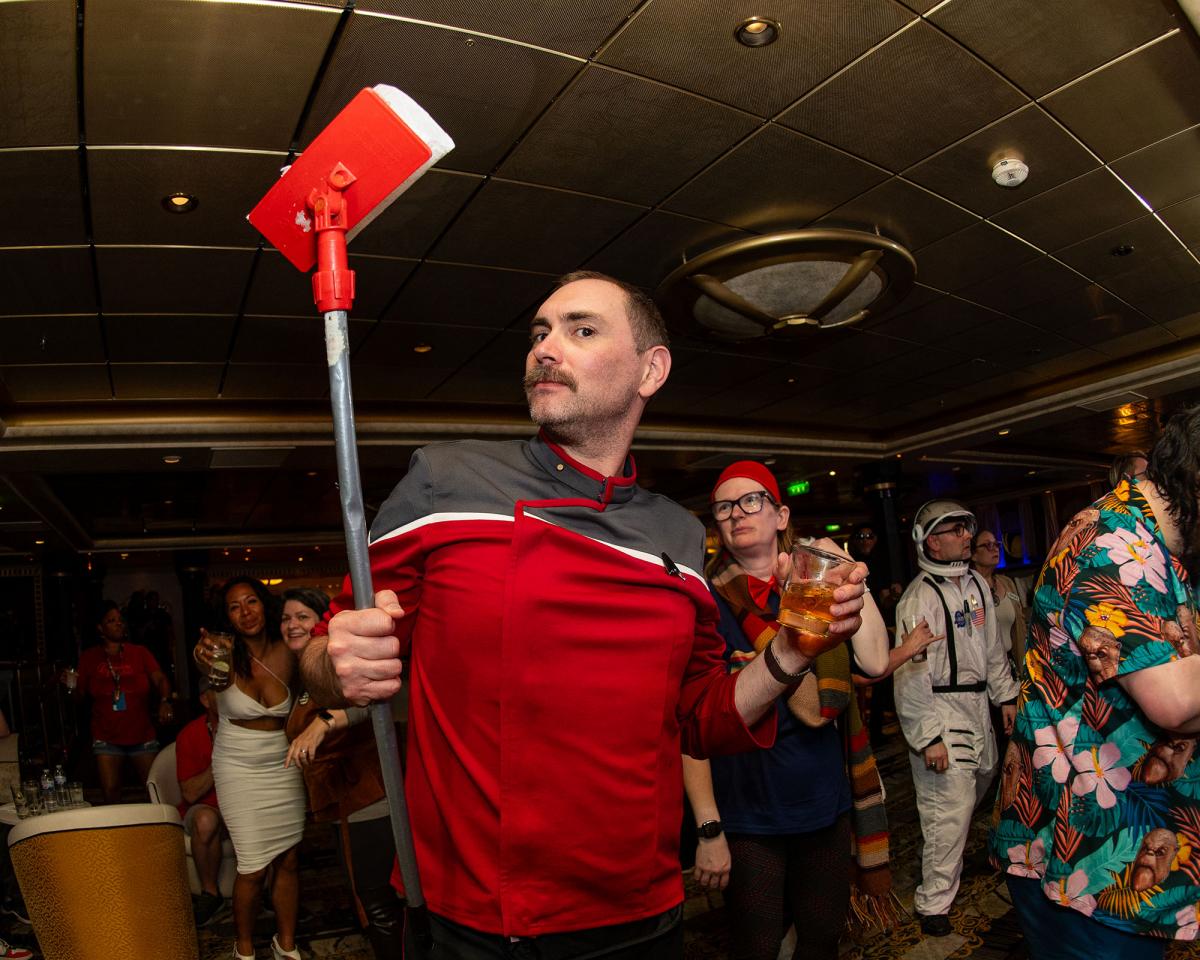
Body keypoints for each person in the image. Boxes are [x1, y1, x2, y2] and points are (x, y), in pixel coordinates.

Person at [293, 271, 868, 959]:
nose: (545, 347)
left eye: (582, 330)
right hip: (479, 918)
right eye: (540, 332)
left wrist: (792, 653)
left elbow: (699, 715)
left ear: (650, 370)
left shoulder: (679, 533)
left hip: (642, 908)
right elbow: (324, 655)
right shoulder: (445, 482)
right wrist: (337, 663)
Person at [990, 404, 1200, 958]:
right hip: (1088, 852)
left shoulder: (1167, 548)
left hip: (1134, 837)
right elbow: (1175, 701)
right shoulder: (1112, 544)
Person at [681, 461, 890, 960]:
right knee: (756, 945)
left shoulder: (813, 587)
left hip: (823, 800)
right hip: (749, 810)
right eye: (724, 507)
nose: (737, 513)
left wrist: (847, 574)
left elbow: (876, 661)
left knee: (821, 936)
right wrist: (709, 827)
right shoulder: (705, 602)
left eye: (751, 500)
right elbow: (690, 722)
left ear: (781, 516)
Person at [893, 501, 1018, 937]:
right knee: (948, 809)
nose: (967, 536)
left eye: (967, 529)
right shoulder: (918, 598)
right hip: (940, 710)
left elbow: (992, 647)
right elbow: (910, 673)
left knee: (974, 792)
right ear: (932, 542)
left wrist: (1005, 696)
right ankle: (934, 903)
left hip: (977, 705)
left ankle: (945, 867)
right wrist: (928, 737)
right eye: (956, 530)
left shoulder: (976, 585)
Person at [280, 588, 404, 960]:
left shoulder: (341, 661)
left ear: (325, 624)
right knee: (365, 895)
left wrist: (327, 721)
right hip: (339, 801)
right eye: (285, 618)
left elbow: (379, 701)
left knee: (378, 898)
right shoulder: (300, 674)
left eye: (302, 616)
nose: (292, 625)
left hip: (368, 794)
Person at [198, 577, 305, 960]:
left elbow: (312, 692)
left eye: (251, 601)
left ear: (265, 604)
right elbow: (211, 673)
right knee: (253, 866)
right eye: (234, 607)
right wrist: (206, 656)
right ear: (226, 617)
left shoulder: (289, 648)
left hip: (283, 761)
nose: (245, 612)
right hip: (237, 765)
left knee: (288, 859)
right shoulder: (222, 653)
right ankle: (243, 948)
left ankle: (285, 944)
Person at [71, 601, 173, 804]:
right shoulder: (89, 658)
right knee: (110, 792)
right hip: (106, 736)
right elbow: (79, 696)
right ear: (100, 628)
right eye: (111, 621)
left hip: (142, 735)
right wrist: (70, 686)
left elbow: (160, 678)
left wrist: (165, 700)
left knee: (154, 790)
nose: (118, 623)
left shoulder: (140, 652)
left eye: (120, 620)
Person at [175, 678, 227, 927]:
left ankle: (273, 891)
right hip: (207, 807)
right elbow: (190, 794)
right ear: (205, 700)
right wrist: (220, 758)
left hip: (241, 804)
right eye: (219, 692)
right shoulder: (190, 735)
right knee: (205, 821)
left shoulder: (246, 727)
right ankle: (210, 894)